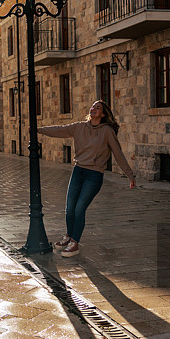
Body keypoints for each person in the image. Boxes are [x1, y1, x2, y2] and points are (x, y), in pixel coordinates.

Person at [36, 100, 136, 258]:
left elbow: (118, 153)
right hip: (78, 171)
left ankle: (75, 244)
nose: (93, 109)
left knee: (79, 209)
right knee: (69, 209)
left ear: (103, 114)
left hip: (94, 175)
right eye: (93, 106)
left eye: (98, 108)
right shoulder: (79, 127)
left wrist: (130, 175)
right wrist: (38, 130)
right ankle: (68, 237)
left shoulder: (107, 131)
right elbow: (59, 130)